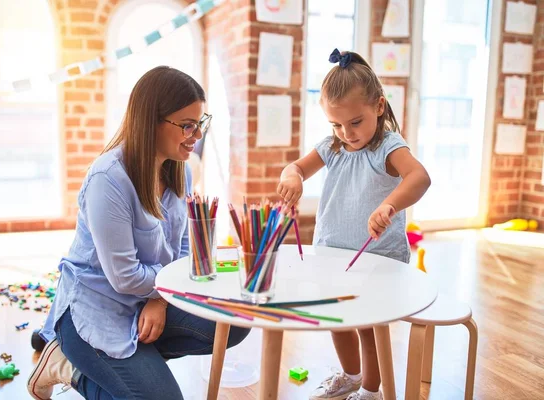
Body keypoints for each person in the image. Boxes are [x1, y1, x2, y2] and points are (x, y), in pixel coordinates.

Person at [27, 66, 250, 400]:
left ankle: (129, 369)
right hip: (96, 310)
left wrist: (160, 299)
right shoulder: (108, 179)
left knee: (234, 321)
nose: (197, 135)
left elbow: (186, 247)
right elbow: (125, 278)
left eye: (201, 123)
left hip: (150, 297)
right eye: (188, 125)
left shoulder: (181, 170)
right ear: (151, 121)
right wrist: (163, 290)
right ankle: (68, 365)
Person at [277, 50, 431, 400]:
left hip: (378, 257)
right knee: (337, 319)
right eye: (337, 124)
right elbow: (297, 168)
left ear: (379, 106)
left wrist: (390, 204)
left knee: (368, 325)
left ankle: (371, 391)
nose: (347, 133)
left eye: (355, 122)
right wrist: (292, 176)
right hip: (332, 253)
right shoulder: (332, 146)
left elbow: (419, 177)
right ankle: (350, 375)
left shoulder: (388, 147)